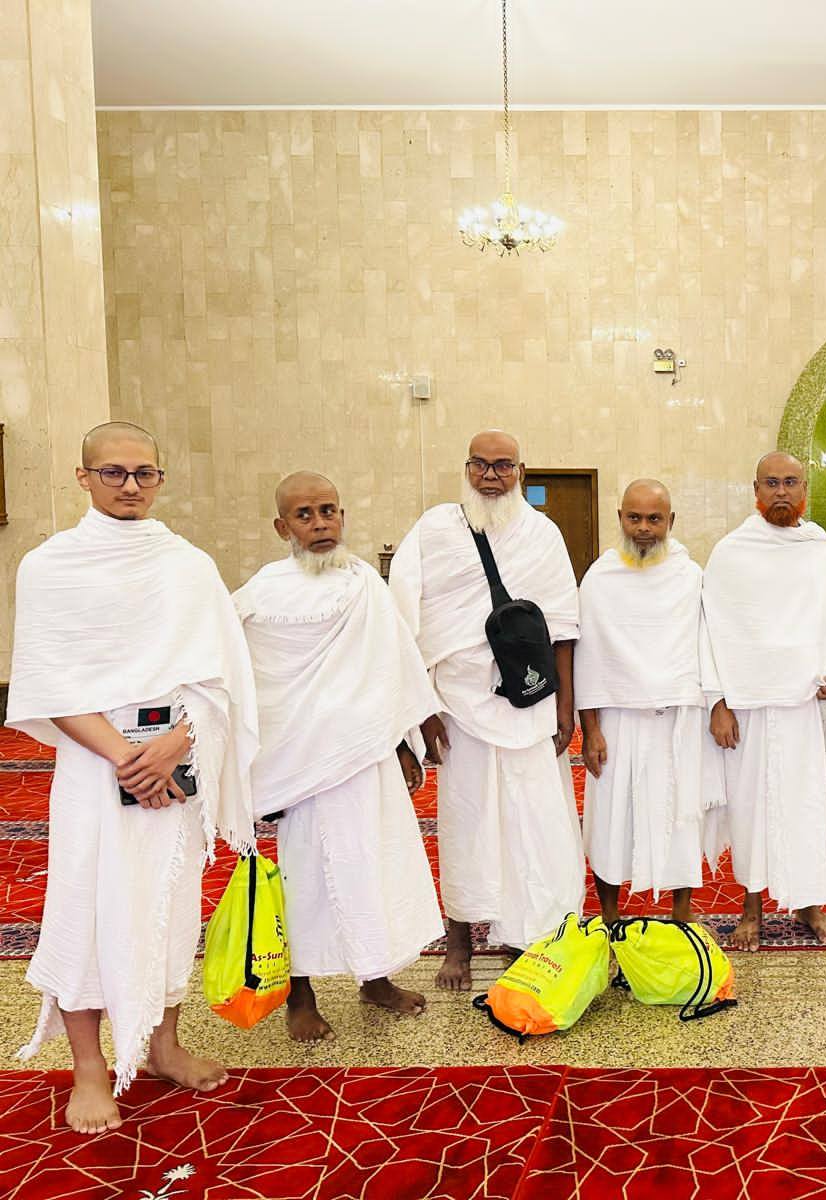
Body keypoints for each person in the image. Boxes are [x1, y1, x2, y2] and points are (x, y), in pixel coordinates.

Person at [10, 422, 257, 1133]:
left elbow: (223, 676)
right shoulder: (50, 565)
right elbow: (48, 684)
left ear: (160, 478)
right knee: (86, 905)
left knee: (170, 905)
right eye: (113, 472)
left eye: (144, 473)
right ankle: (89, 1069)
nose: (130, 485)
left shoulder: (188, 566)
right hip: (94, 761)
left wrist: (176, 744)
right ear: (83, 477)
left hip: (177, 757)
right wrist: (127, 756)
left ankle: (161, 1045)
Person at [233, 472, 443, 1041]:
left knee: (373, 864)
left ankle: (375, 978)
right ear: (282, 527)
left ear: (342, 516)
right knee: (305, 879)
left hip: (366, 759)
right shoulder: (259, 594)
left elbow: (391, 668)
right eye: (304, 515)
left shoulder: (364, 585)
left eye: (328, 510)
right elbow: (246, 678)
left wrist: (402, 743)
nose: (320, 523)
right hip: (300, 767)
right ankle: (299, 996)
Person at [388, 430, 584, 989]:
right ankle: (460, 941)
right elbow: (405, 625)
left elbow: (563, 628)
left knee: (531, 823)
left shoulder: (543, 535)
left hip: (530, 701)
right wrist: (422, 709)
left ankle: (525, 933)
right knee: (466, 821)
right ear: (467, 467)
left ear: (521, 471)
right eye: (480, 465)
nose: (491, 476)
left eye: (503, 466)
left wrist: (565, 706)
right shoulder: (434, 530)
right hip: (457, 706)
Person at [700, 452, 826, 949]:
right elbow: (709, 629)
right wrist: (717, 701)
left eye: (791, 482)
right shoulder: (731, 552)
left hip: (805, 706)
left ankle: (810, 904)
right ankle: (751, 908)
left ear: (805, 488)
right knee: (751, 811)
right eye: (772, 483)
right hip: (747, 708)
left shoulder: (820, 549)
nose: (782, 491)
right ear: (756, 490)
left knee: (808, 808)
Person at [576, 479, 722, 925]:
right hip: (616, 718)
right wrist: (591, 730)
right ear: (619, 518)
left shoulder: (689, 576)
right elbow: (588, 655)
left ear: (670, 521)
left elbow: (706, 644)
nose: (643, 528)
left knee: (681, 814)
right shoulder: (599, 578)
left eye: (654, 519)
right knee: (611, 818)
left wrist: (715, 705)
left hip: (677, 718)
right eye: (634, 518)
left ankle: (682, 911)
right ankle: (609, 913)